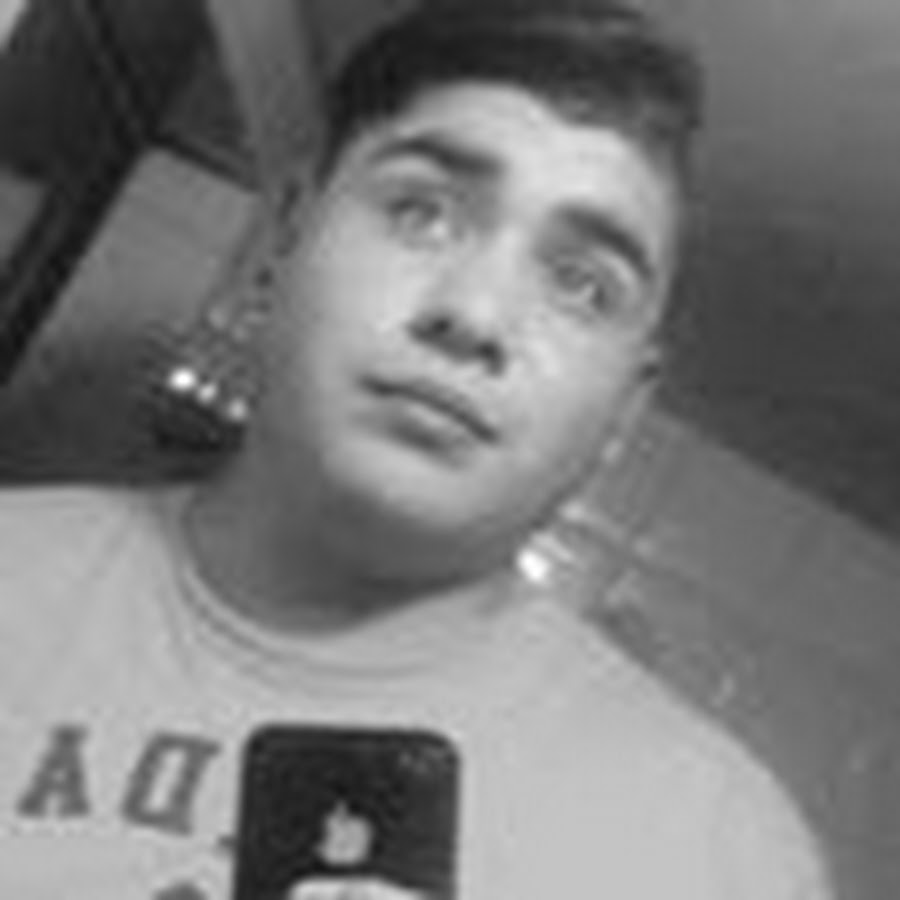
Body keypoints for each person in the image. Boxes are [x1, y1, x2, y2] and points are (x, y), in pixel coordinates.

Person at [0, 0, 833, 898]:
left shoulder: (723, 854)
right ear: (284, 239)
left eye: (584, 287)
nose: (474, 315)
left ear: (625, 411)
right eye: (420, 212)